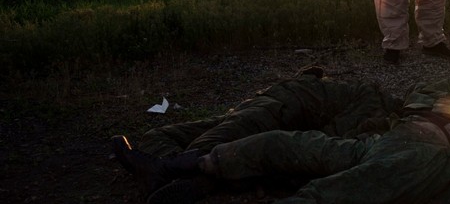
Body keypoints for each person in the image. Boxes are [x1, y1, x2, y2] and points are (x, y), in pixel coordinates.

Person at [114, 80, 450, 204]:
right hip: (393, 142)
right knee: (284, 144)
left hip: (422, 151)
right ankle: (185, 166)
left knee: (339, 187)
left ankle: (196, 169)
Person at [111, 68, 402, 198]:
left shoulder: (378, 115)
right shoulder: (373, 105)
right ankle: (180, 173)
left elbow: (319, 145)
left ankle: (173, 172)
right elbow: (320, 144)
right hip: (279, 108)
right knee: (169, 137)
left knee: (206, 143)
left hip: (275, 115)